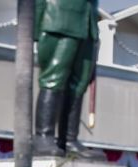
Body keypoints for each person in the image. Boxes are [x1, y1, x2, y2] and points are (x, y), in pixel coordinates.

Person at [34, 0, 101, 157]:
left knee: (79, 83)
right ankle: (44, 137)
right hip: (59, 20)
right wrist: (36, 29)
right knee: (53, 78)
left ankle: (69, 140)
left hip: (87, 23)